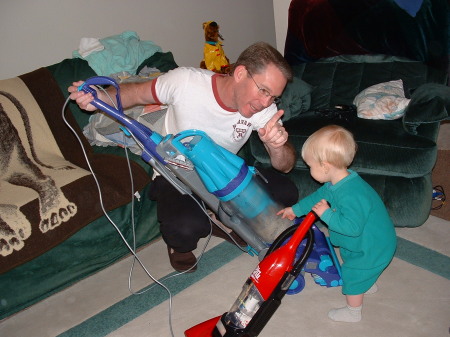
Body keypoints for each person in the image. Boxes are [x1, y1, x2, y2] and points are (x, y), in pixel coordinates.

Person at [68, 41, 299, 273]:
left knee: (287, 192)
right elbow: (135, 93)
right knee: (184, 228)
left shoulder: (265, 111)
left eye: (273, 97)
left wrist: (276, 146)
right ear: (240, 73)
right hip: (177, 175)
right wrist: (98, 98)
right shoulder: (186, 82)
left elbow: (285, 165)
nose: (266, 103)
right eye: (263, 91)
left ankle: (219, 215)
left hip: (224, 177)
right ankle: (203, 228)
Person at [277, 125, 397, 323]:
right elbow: (317, 197)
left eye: (311, 166)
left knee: (353, 274)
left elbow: (352, 228)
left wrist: (327, 214)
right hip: (368, 240)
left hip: (373, 246)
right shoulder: (338, 182)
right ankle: (367, 280)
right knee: (354, 262)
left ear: (325, 166)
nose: (309, 170)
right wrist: (294, 210)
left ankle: (353, 311)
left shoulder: (352, 195)